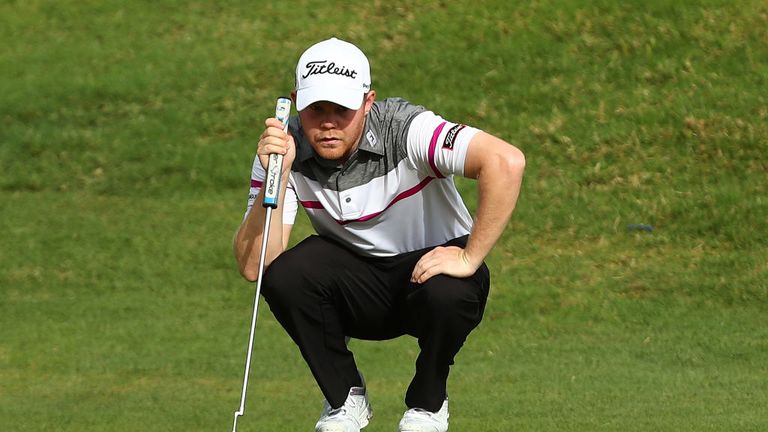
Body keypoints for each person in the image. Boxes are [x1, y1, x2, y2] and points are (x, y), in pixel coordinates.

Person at [233, 37, 525, 432]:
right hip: (359, 292)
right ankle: (344, 400)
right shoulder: (282, 150)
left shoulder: (407, 129)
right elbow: (256, 267)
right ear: (295, 102)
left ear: (368, 102)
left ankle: (428, 404)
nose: (329, 122)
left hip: (432, 281)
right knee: (286, 274)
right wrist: (278, 174)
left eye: (343, 108)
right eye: (316, 109)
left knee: (448, 290)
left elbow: (505, 161)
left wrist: (469, 257)